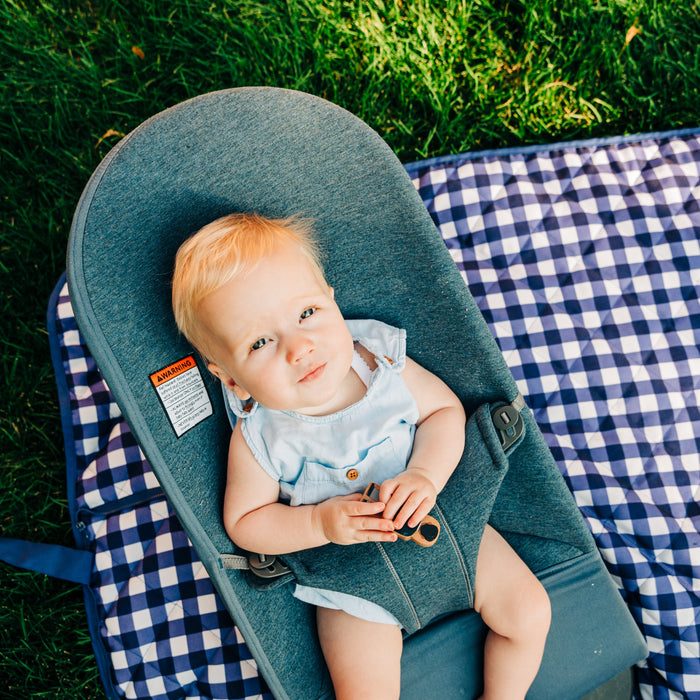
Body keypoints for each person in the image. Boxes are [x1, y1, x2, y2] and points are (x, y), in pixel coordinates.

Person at [172, 212, 551, 700]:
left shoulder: (379, 362)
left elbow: (443, 413)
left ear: (330, 299)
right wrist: (319, 525)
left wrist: (424, 475)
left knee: (529, 613)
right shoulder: (260, 435)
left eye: (306, 314)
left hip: (450, 533)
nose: (299, 348)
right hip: (353, 588)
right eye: (261, 342)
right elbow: (245, 521)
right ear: (229, 377)